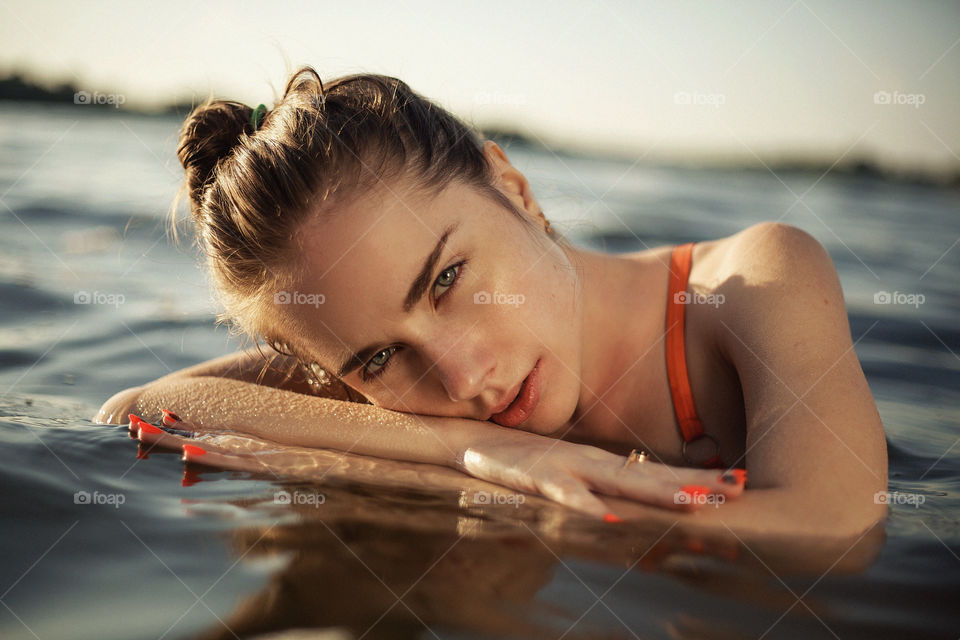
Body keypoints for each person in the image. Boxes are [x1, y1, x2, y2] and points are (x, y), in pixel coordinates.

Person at [96, 66, 887, 537]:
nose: (464, 377)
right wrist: (492, 455)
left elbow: (830, 526)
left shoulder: (749, 283)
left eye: (446, 279)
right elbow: (146, 405)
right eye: (379, 358)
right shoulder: (384, 384)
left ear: (512, 187)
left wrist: (483, 486)